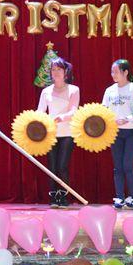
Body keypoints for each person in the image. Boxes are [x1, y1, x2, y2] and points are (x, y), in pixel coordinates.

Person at [37, 58, 79, 208]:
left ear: (65, 72)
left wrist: (61, 117)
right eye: (53, 69)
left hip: (67, 133)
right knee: (52, 167)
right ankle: (54, 196)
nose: (56, 72)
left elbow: (74, 111)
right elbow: (40, 111)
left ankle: (63, 196)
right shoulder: (46, 91)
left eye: (59, 69)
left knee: (62, 166)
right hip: (51, 134)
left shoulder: (73, 90)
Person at [103, 59, 133, 210]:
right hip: (115, 132)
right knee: (118, 166)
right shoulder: (109, 91)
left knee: (127, 164)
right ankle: (119, 197)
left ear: (125, 72)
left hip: (132, 131)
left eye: (116, 71)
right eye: (112, 71)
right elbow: (103, 110)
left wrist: (126, 119)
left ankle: (132, 197)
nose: (113, 74)